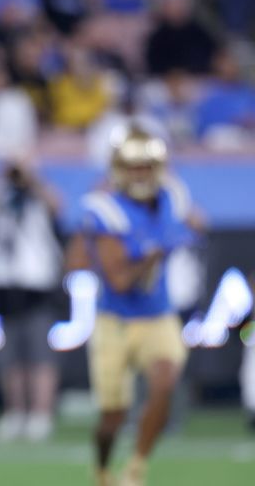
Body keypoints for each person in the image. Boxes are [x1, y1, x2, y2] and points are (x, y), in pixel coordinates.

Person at [77, 127, 198, 486]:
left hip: (158, 315)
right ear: (118, 169)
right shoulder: (105, 209)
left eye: (146, 166)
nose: (140, 174)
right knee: (112, 418)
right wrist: (156, 251)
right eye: (132, 167)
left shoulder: (171, 197)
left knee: (165, 381)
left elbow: (195, 221)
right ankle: (102, 471)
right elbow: (119, 280)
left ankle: (135, 469)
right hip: (115, 321)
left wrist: (185, 229)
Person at [0, 160, 63, 442]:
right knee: (10, 357)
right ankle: (15, 412)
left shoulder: (38, 199)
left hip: (36, 284)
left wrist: (32, 177)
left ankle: (41, 413)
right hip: (5, 284)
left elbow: (57, 206)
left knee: (40, 354)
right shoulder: (1, 198)